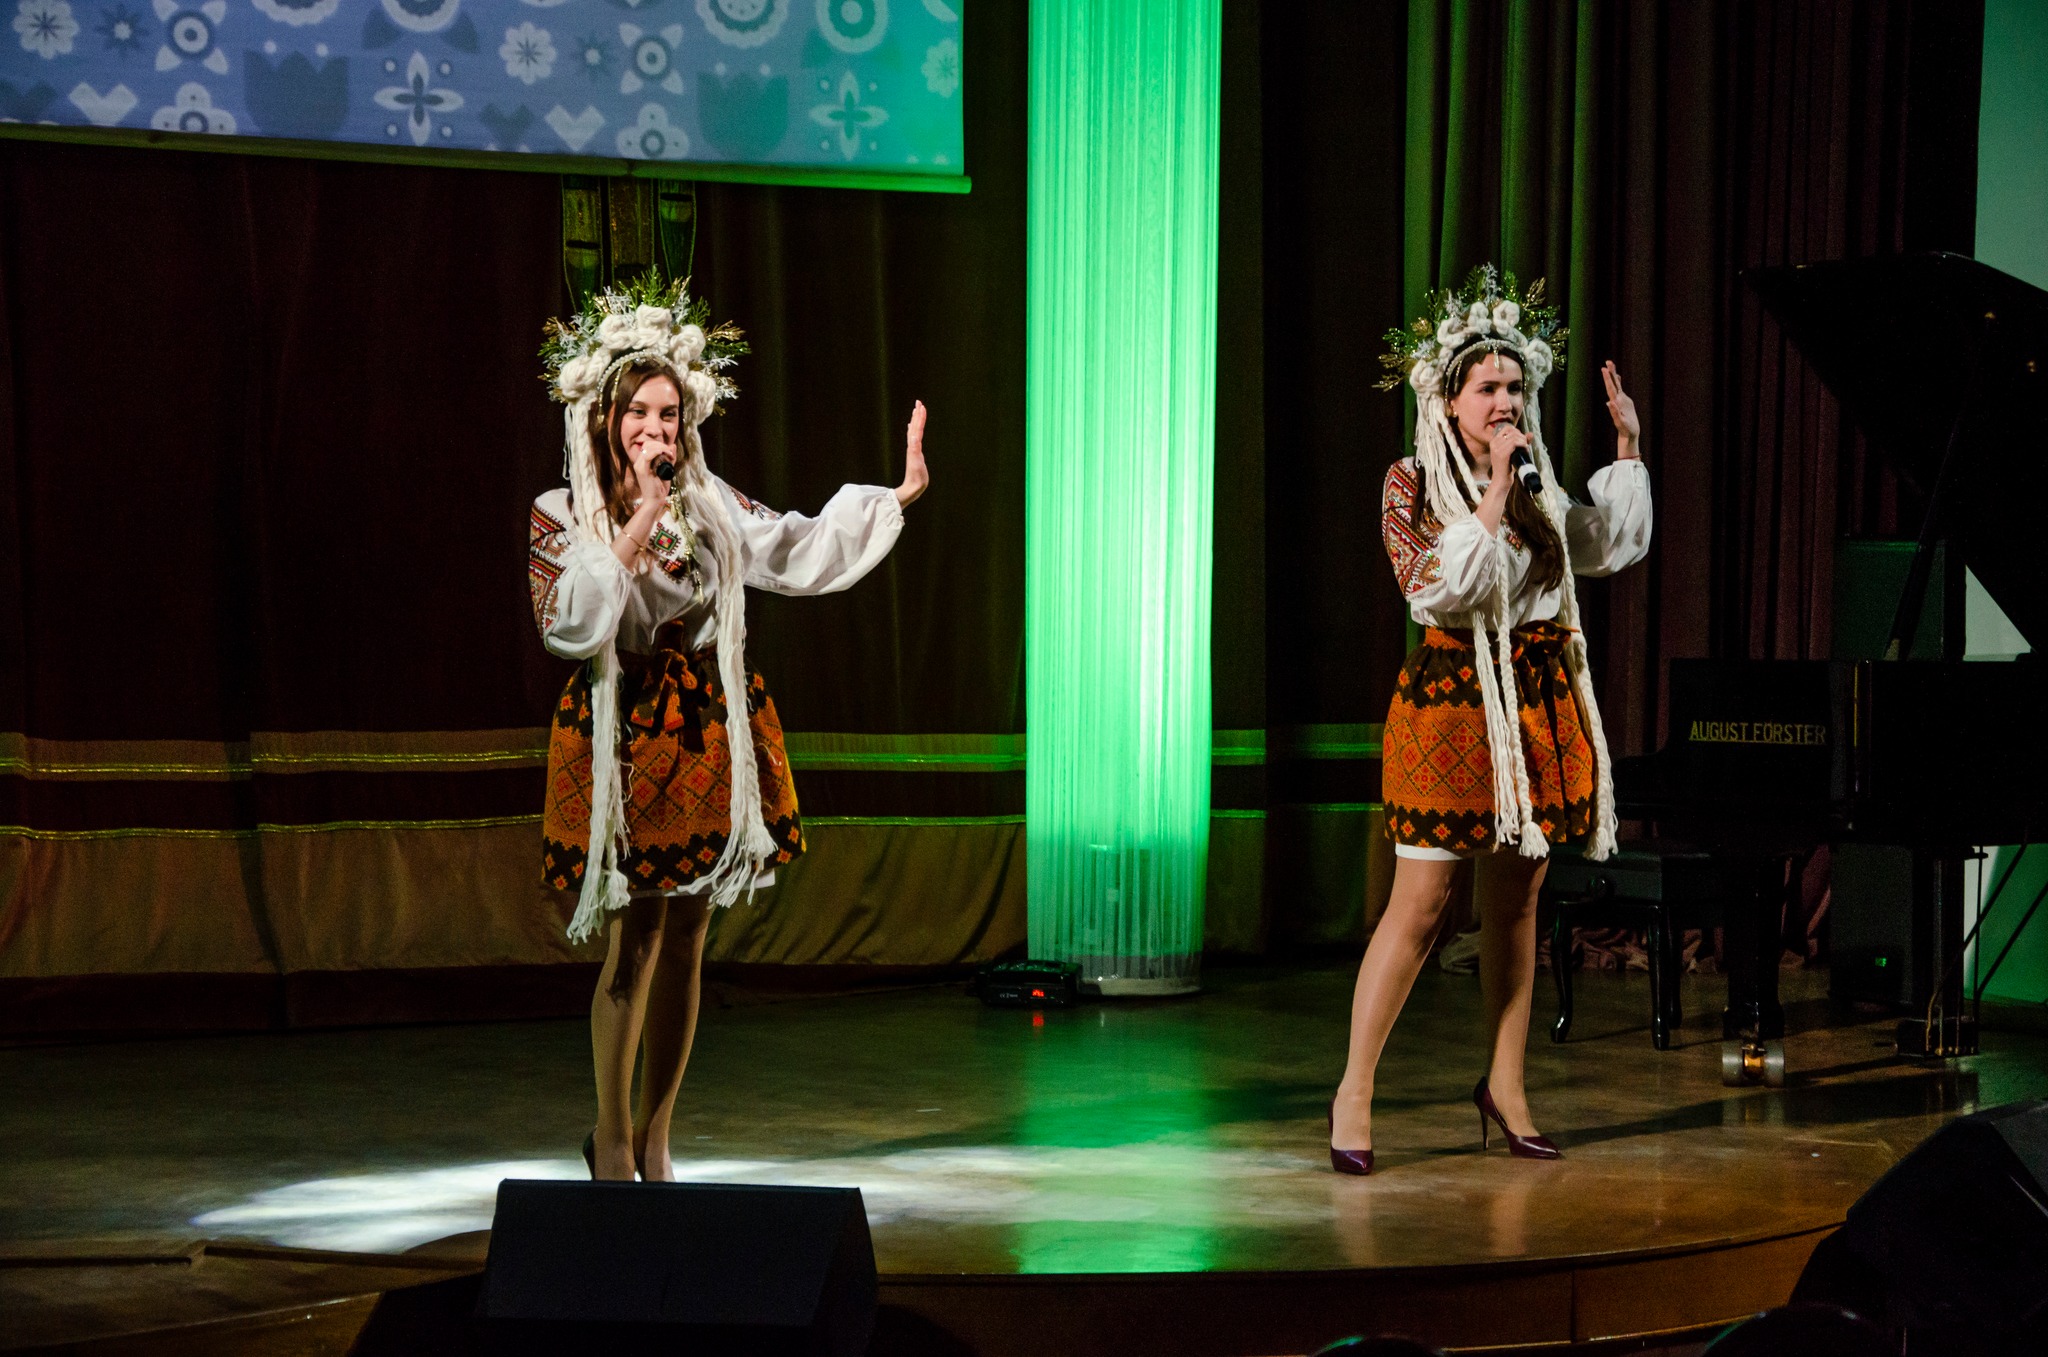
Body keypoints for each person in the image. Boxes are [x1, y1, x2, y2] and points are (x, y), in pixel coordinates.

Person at [528, 281, 928, 1181]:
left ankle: (658, 1134)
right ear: (606, 419)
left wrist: (895, 496)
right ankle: (611, 1135)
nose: (656, 430)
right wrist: (639, 512)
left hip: (706, 727)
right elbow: (573, 619)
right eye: (638, 413)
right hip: (629, 733)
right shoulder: (565, 512)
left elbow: (795, 545)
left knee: (690, 935)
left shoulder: (709, 503)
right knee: (636, 937)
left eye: (669, 414)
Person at [1328, 268, 1651, 1174]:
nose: (1506, 402)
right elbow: (1438, 586)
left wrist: (1625, 448)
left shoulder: (1539, 481)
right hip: (1453, 704)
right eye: (1488, 388)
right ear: (1448, 400)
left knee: (1517, 904)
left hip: (1535, 704)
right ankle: (1355, 1090)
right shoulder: (1410, 482)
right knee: (1423, 906)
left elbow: (1600, 548)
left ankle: (1506, 1083)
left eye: (1514, 386)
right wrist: (1496, 492)